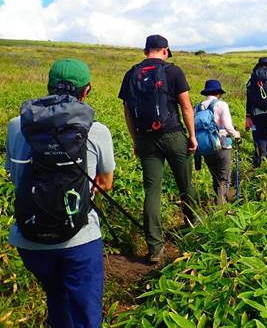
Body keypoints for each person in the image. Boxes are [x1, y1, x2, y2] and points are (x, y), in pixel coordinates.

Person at [6, 58, 115, 328]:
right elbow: (106, 183)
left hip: (29, 239)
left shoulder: (15, 126)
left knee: (57, 297)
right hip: (80, 238)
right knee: (86, 313)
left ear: (48, 86)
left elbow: (14, 174)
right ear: (86, 91)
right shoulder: (97, 130)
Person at [118, 34, 199, 263]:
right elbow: (186, 106)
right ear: (165, 50)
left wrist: (136, 141)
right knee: (185, 183)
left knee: (152, 190)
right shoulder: (173, 71)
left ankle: (155, 247)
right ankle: (193, 228)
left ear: (146, 51)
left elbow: (127, 112)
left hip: (145, 139)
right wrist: (192, 136)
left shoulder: (131, 74)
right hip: (173, 134)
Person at [196, 79, 241, 205]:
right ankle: (221, 209)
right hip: (222, 144)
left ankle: (218, 202)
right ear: (218, 93)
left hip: (206, 146)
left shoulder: (199, 106)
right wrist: (236, 135)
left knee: (215, 177)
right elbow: (227, 125)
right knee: (224, 179)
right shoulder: (221, 105)